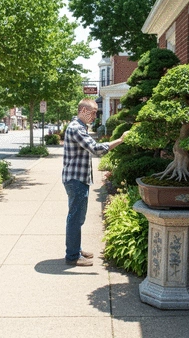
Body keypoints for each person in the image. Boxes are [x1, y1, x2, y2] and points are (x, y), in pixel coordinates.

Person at [62, 98, 129, 266]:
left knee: (77, 217)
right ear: (83, 110)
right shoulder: (76, 129)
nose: (94, 116)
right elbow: (96, 149)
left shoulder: (79, 127)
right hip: (76, 180)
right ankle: (72, 256)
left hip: (77, 178)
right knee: (75, 218)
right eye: (93, 112)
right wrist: (120, 140)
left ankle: (75, 249)